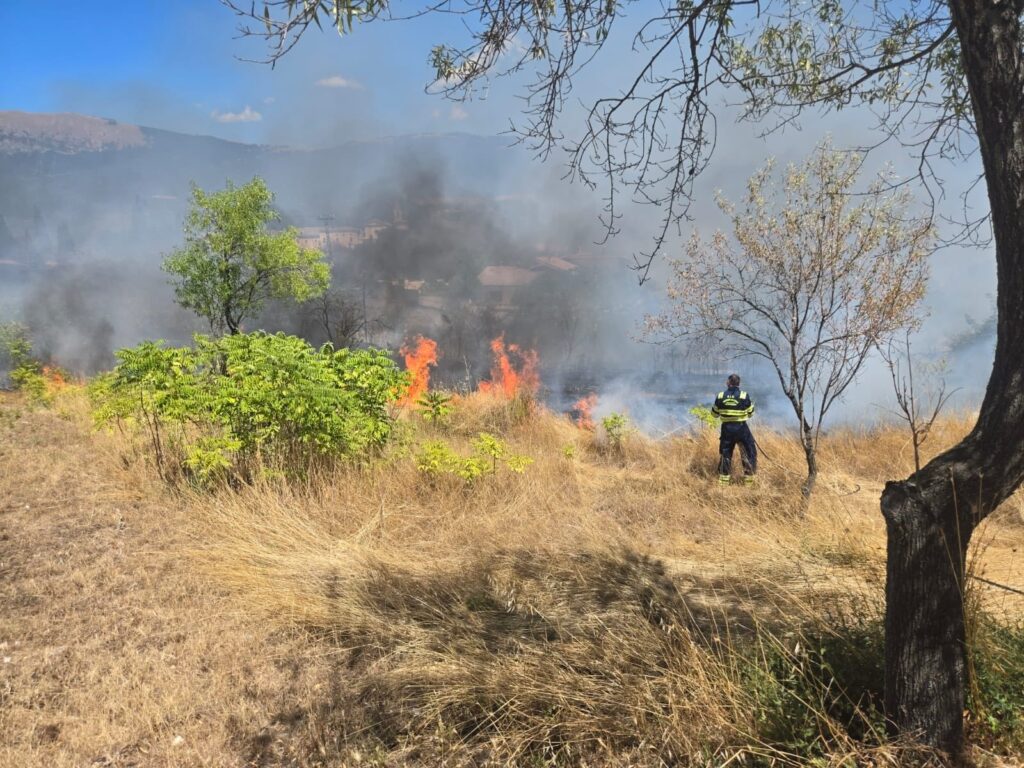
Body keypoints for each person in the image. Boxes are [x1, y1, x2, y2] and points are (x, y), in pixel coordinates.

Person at [711, 373, 757, 485]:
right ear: (739, 383)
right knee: (748, 453)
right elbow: (751, 413)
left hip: (727, 430)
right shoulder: (744, 395)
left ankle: (723, 483)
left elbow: (714, 414)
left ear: (728, 383)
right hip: (742, 429)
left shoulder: (720, 396)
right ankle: (749, 483)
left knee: (725, 454)